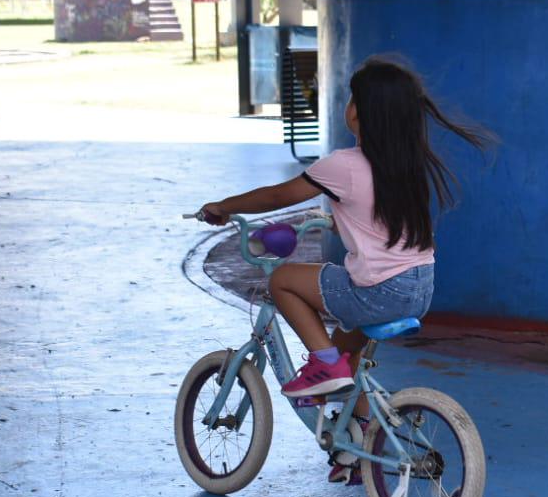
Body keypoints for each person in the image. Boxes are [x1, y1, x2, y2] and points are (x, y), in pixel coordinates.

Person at [200, 57, 490, 409]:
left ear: (360, 113)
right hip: (420, 288)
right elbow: (377, 217)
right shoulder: (407, 163)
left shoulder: (343, 165)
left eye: (352, 99)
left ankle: (323, 363)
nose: (348, 106)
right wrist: (338, 221)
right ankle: (357, 441)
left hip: (380, 290)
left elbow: (279, 195)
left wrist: (225, 205)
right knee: (346, 352)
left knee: (283, 279)